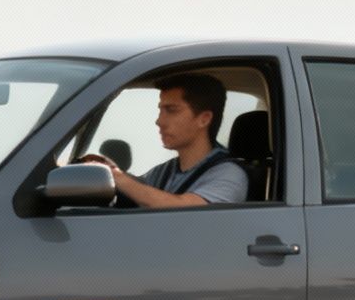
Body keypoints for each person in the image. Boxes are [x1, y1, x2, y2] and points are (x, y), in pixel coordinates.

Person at [80, 74, 250, 208]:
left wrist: (117, 177)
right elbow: (139, 191)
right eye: (161, 110)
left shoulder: (229, 175)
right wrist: (108, 172)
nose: (159, 121)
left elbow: (188, 210)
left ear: (204, 119)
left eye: (171, 110)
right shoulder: (165, 172)